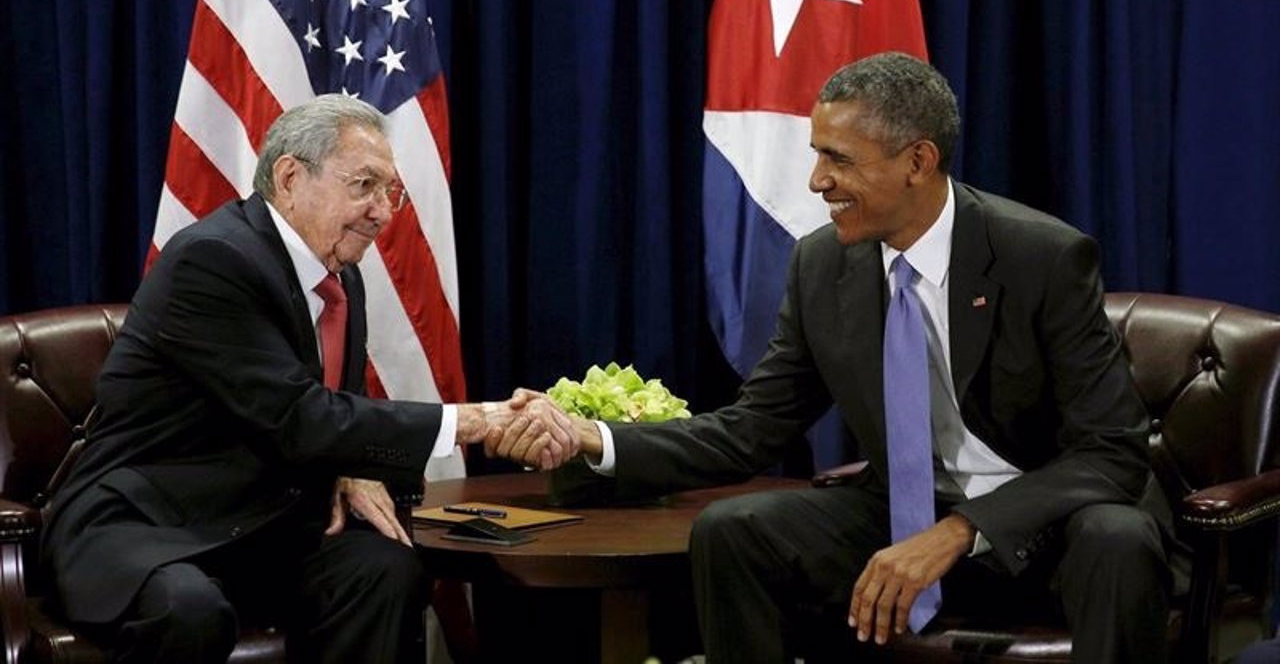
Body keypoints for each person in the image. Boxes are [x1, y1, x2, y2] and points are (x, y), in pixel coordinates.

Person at [493, 52, 1176, 663]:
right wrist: (595, 438)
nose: (818, 180)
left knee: (1118, 539)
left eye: (840, 159)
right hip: (903, 513)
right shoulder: (823, 263)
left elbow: (1112, 451)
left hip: (1046, 521)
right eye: (817, 154)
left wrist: (960, 531)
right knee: (736, 530)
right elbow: (751, 429)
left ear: (919, 161)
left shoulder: (1042, 256)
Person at [42, 95, 579, 664]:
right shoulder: (214, 260)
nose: (383, 211)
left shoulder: (340, 277)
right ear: (291, 176)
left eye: (388, 191)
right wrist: (477, 419)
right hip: (145, 526)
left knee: (385, 571)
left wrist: (349, 464)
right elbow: (297, 415)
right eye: (365, 185)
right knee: (190, 609)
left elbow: (330, 412)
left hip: (261, 525)